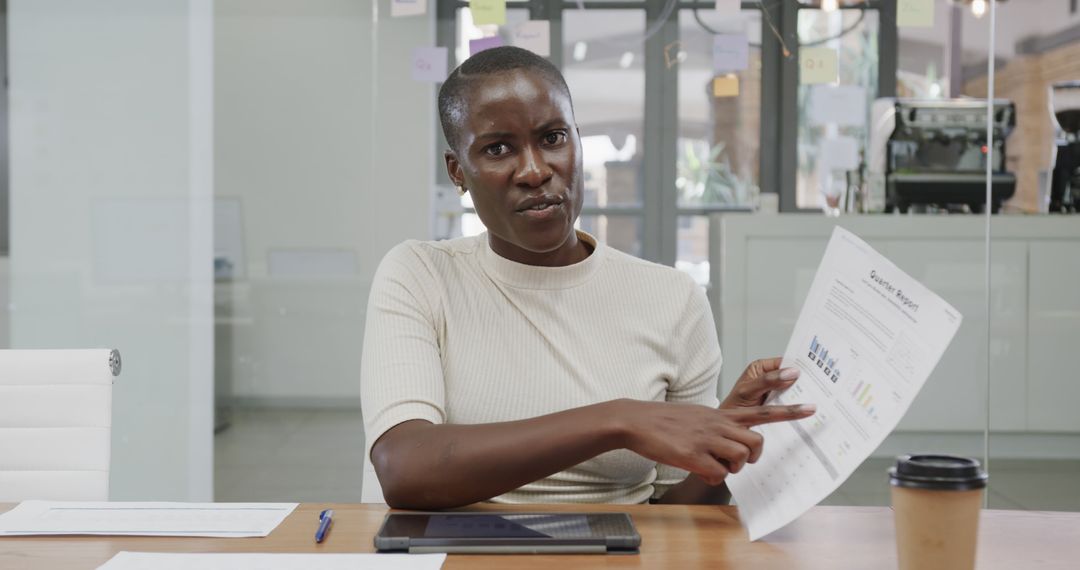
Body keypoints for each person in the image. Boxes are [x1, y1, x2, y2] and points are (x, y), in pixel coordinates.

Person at [361, 46, 813, 510]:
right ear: (459, 171)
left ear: (577, 141)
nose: (535, 171)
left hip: (616, 553)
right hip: (452, 552)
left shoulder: (672, 298)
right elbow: (404, 468)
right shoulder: (419, 275)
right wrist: (618, 420)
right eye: (498, 149)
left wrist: (728, 438)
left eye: (553, 138)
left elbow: (678, 514)